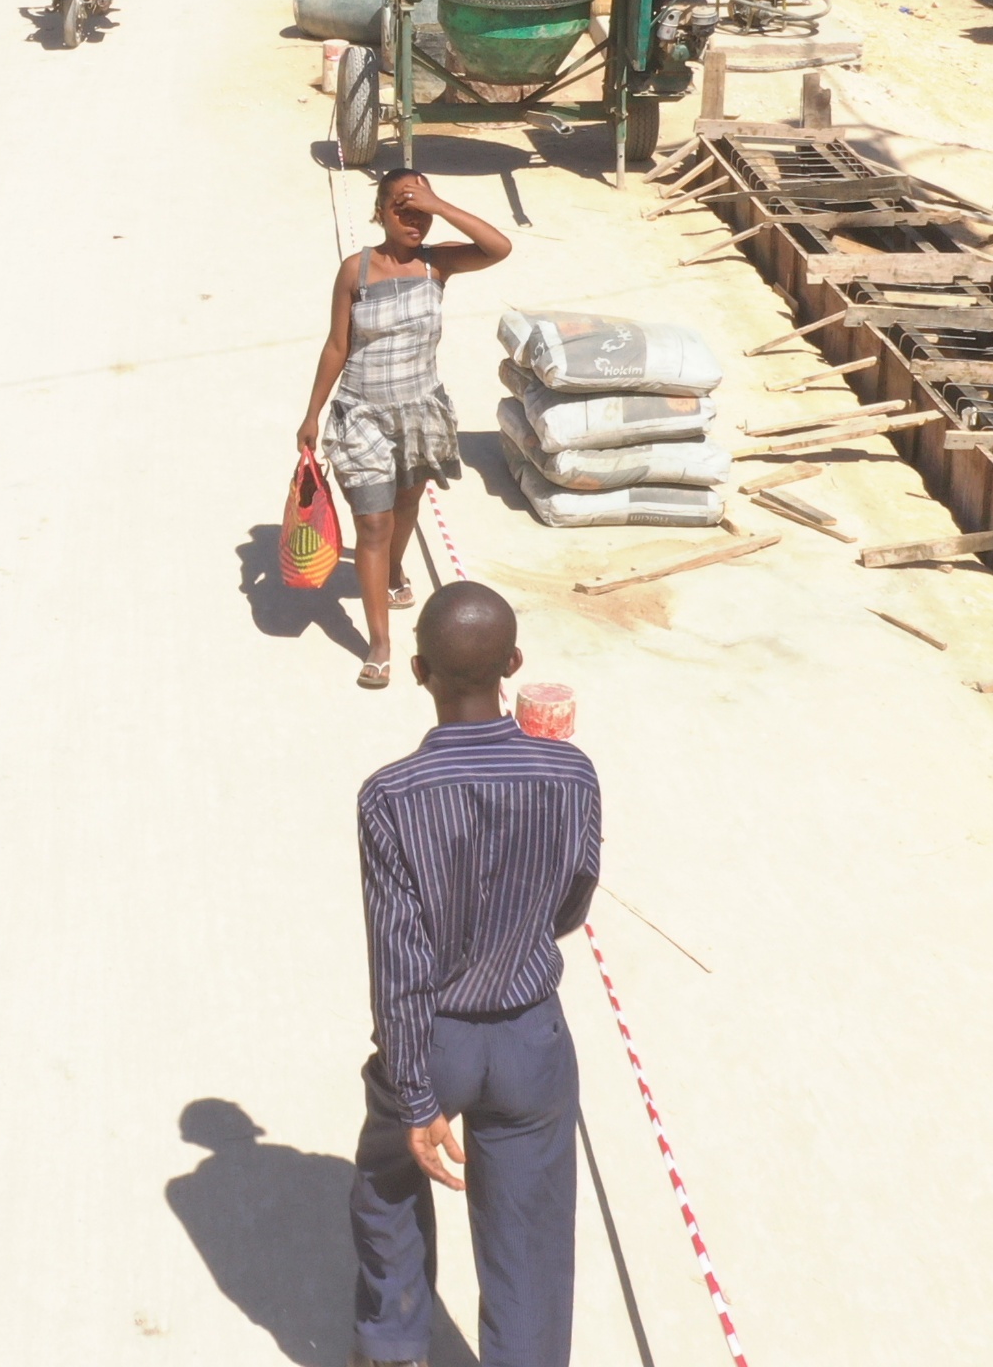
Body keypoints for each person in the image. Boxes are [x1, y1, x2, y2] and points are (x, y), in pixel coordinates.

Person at [348, 583, 597, 1367]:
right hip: (531, 1039)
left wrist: (417, 1093)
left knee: (390, 1175)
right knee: (528, 1238)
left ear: (418, 669)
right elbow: (570, 904)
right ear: (514, 666)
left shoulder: (390, 796)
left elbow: (399, 958)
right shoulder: (573, 775)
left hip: (434, 1040)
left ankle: (391, 1348)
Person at [298, 166, 513, 688]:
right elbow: (336, 345)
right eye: (402, 206)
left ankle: (394, 574)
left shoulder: (438, 265)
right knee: (373, 524)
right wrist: (312, 413)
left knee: (407, 504)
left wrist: (438, 205)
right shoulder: (358, 271)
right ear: (380, 212)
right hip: (362, 415)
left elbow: (499, 247)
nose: (413, 217)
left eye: (421, 208)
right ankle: (380, 643)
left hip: (419, 413)